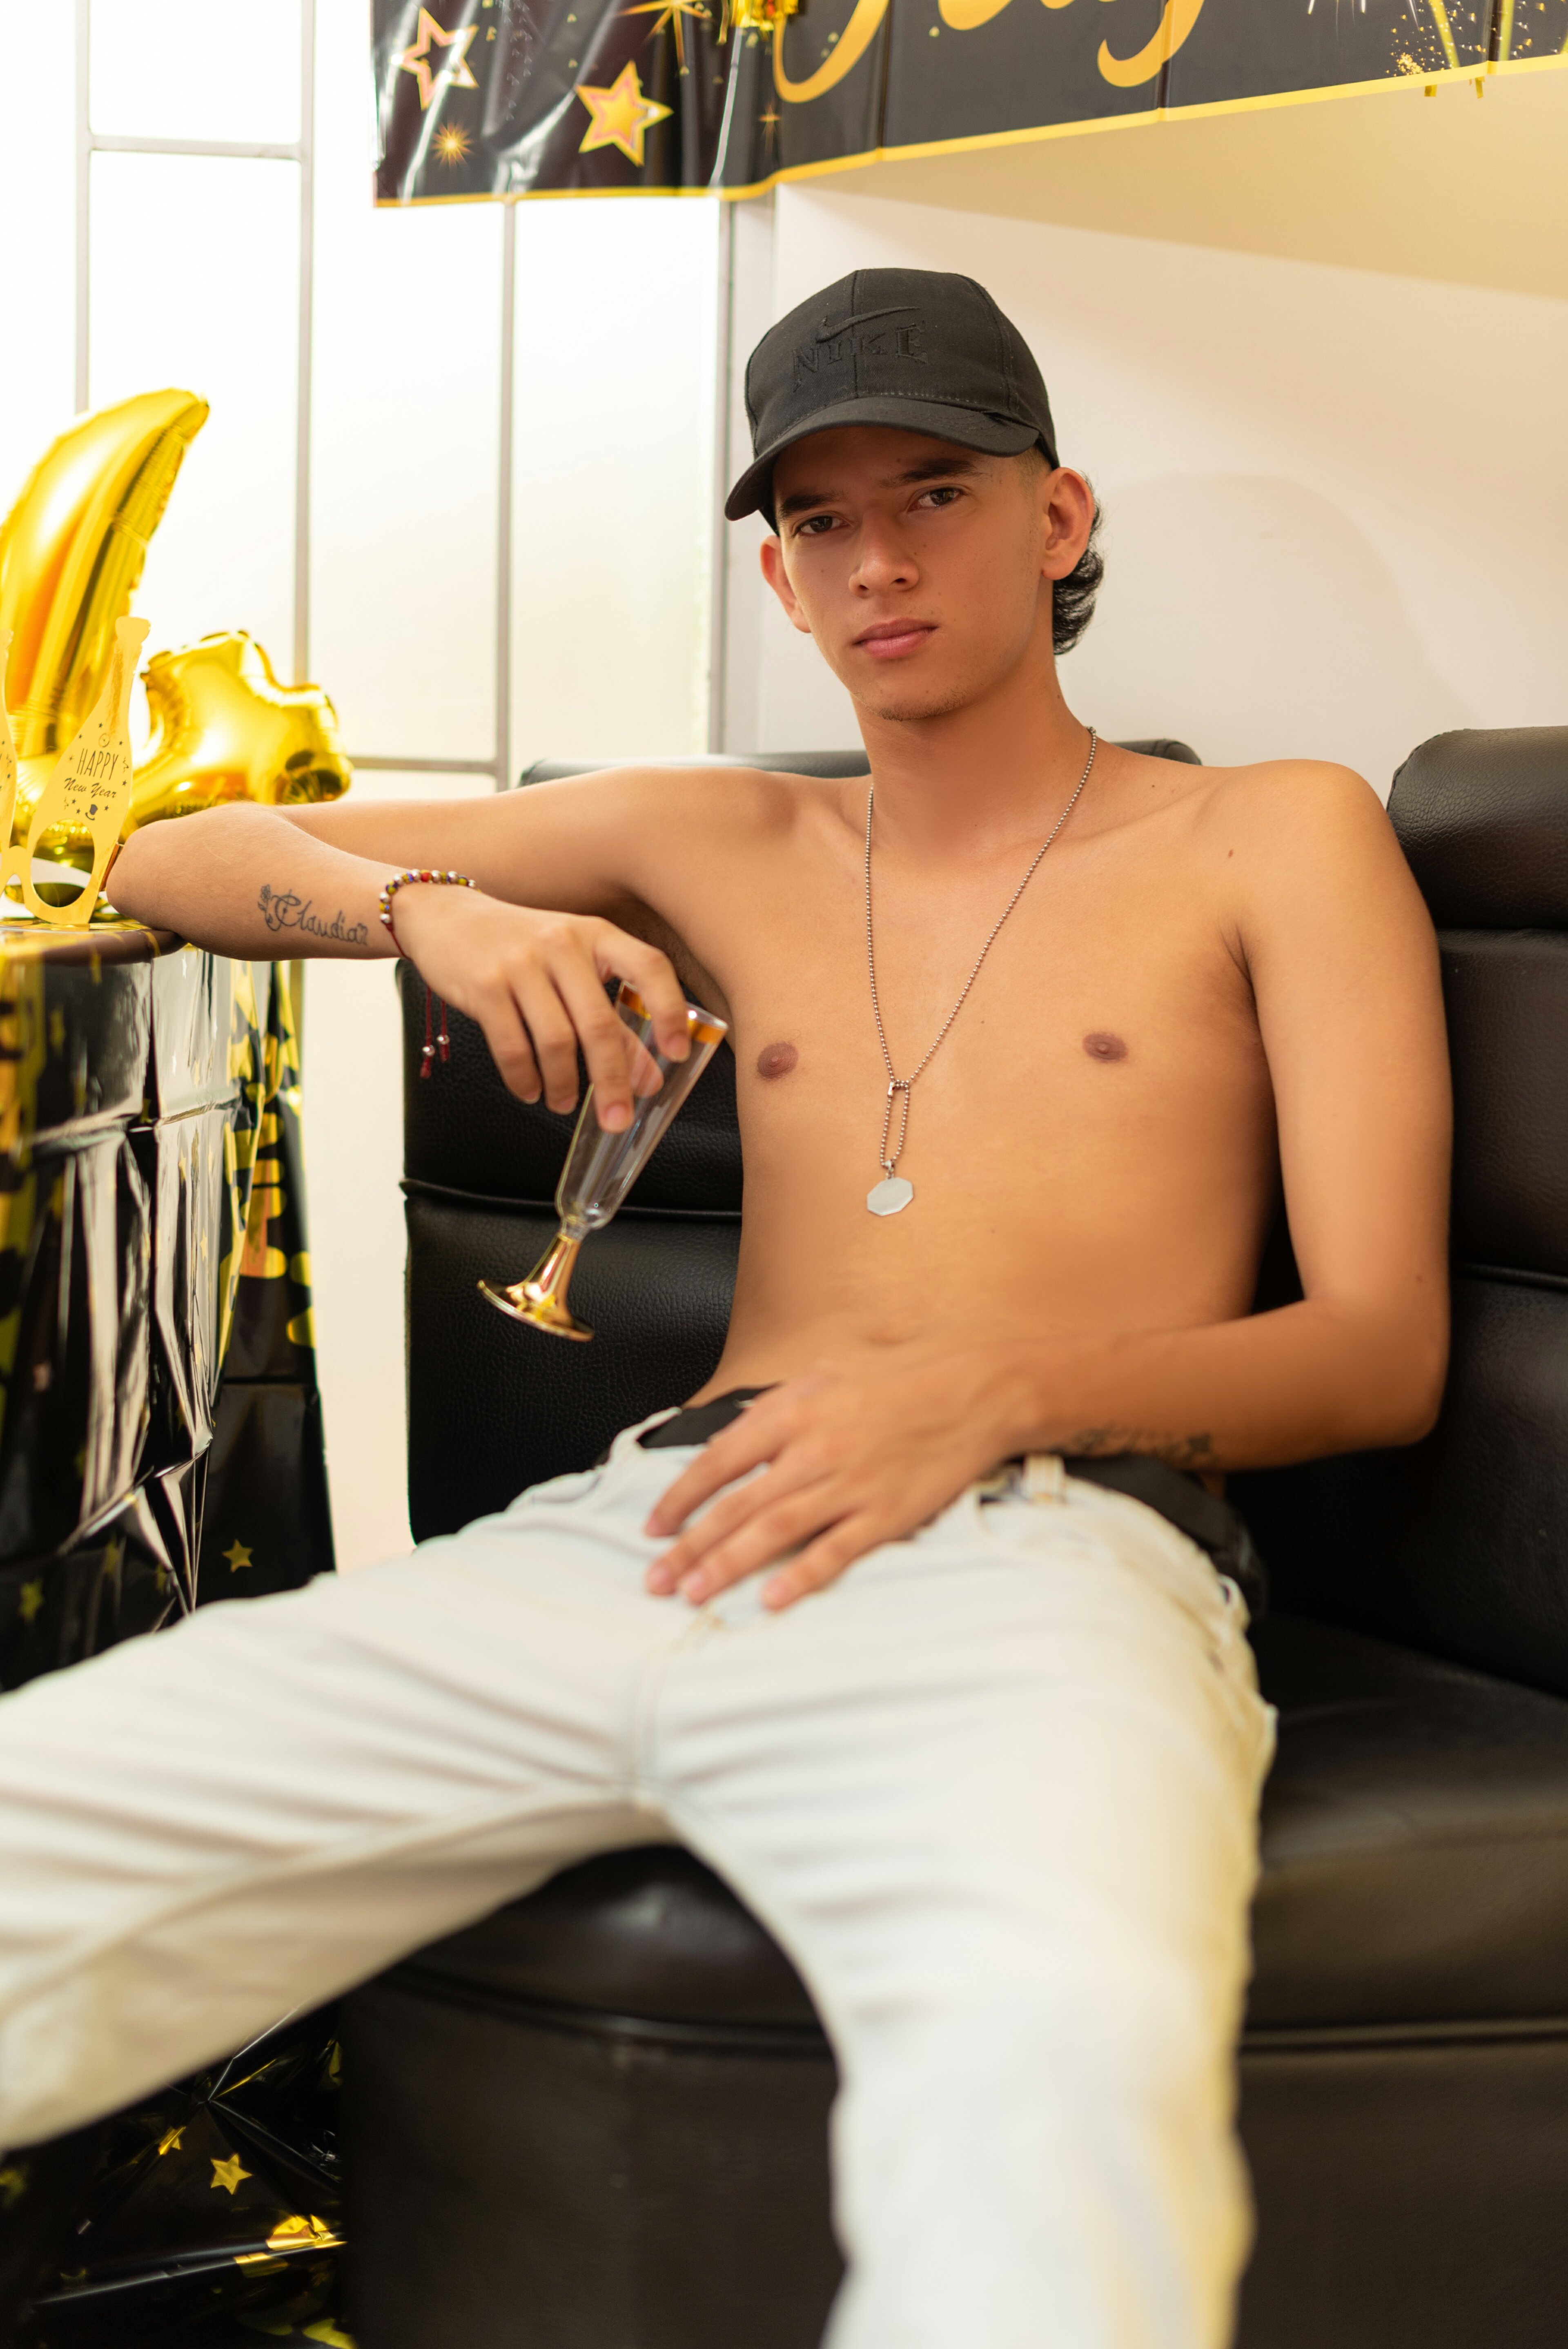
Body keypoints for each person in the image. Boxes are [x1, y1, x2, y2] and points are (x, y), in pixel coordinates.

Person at [0, 269, 1449, 2349]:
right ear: (780, 578)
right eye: (821, 522)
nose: (878, 562)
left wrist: (977, 1399)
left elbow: (1381, 1348)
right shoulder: (722, 833)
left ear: (1056, 518)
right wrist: (432, 911)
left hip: (1041, 1552)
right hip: (648, 1529)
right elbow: (161, 859)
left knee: (1052, 2078)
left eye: (934, 494)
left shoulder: (1273, 830)